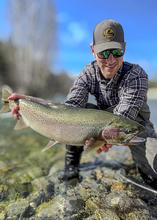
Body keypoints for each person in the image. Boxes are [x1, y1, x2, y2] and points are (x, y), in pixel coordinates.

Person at [9, 19, 157, 187]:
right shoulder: (87, 74)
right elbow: (69, 108)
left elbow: (123, 116)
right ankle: (71, 167)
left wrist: (105, 139)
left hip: (135, 126)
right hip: (101, 125)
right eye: (103, 53)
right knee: (79, 112)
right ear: (93, 51)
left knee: (154, 176)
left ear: (124, 48)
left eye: (116, 51)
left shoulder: (136, 74)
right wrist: (31, 104)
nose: (110, 59)